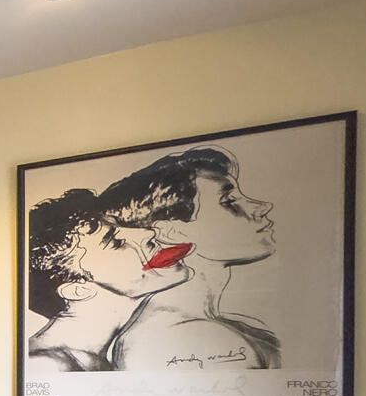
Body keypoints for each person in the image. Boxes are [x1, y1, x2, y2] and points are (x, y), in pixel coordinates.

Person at [102, 147, 280, 369]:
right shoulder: (182, 336)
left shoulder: (231, 327)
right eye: (229, 201)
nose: (262, 207)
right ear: (173, 232)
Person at [26, 187, 193, 371]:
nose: (148, 233)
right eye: (115, 243)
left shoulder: (93, 358)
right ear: (79, 289)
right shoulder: (46, 364)